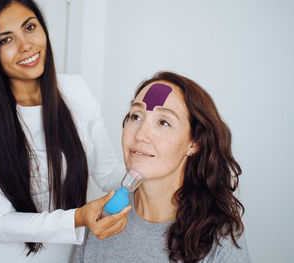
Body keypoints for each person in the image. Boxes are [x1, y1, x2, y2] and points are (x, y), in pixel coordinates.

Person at [0, 0, 130, 262]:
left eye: (29, 27)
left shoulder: (76, 91)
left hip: (68, 256)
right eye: (6, 40)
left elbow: (108, 174)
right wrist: (77, 217)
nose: (25, 45)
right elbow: (0, 221)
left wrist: (149, 165)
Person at [76, 71, 251, 262]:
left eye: (163, 122)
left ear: (194, 143)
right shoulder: (100, 220)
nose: (141, 134)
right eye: (136, 116)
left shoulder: (219, 240)